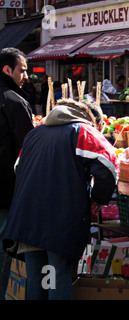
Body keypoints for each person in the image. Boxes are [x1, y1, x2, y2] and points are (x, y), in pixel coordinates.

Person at [2, 98, 119, 300]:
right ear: (90, 119)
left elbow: (17, 168)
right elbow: (108, 165)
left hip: (27, 219)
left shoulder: (34, 134)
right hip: (57, 222)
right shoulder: (82, 130)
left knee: (37, 278)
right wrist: (98, 198)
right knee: (56, 275)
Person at [0, 47, 34, 299]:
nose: (26, 76)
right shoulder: (14, 101)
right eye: (22, 70)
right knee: (3, 247)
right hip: (6, 190)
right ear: (7, 70)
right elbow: (28, 149)